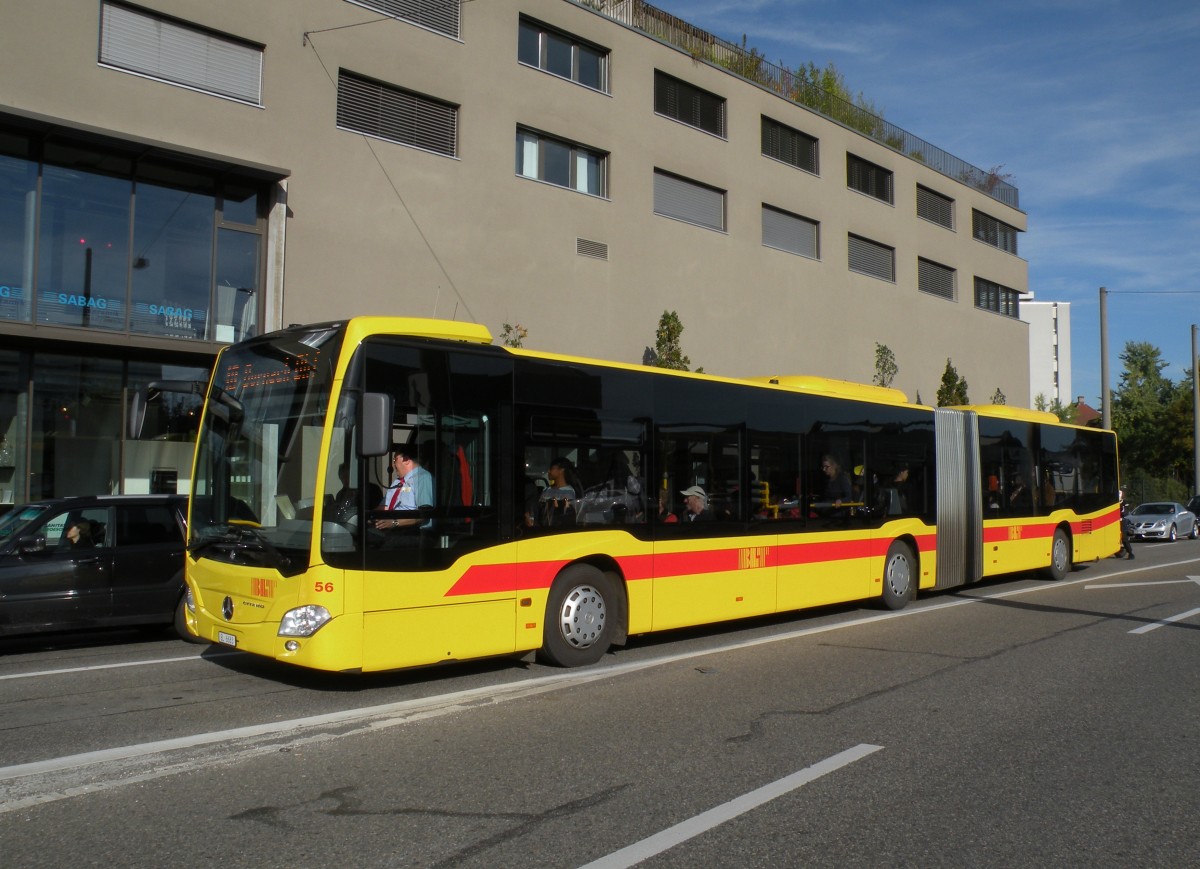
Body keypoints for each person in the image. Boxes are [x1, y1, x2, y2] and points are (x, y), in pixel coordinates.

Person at [375, 446, 434, 532]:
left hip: (413, 533)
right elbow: (385, 507)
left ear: (406, 460)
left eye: (395, 460)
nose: (393, 465)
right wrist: (369, 516)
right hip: (392, 530)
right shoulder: (397, 482)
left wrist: (394, 522)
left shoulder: (422, 478)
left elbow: (423, 514)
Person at [526, 457, 582, 527]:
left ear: (561, 470)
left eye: (552, 468)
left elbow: (564, 517)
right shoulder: (546, 490)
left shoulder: (568, 492)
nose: (549, 471)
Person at [1118, 489, 1134, 559]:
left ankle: (1130, 553)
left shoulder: (1123, 503)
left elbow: (1124, 512)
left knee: (1124, 537)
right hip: (1114, 521)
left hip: (1121, 521)